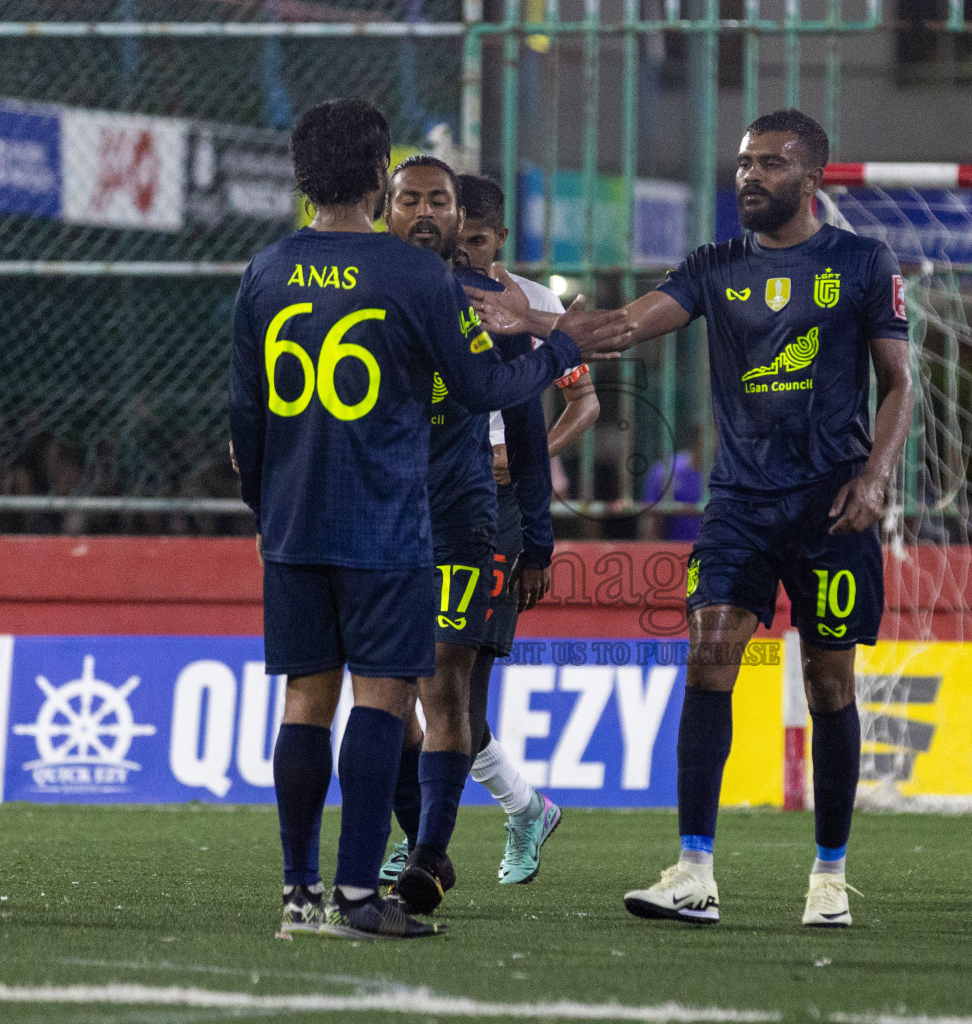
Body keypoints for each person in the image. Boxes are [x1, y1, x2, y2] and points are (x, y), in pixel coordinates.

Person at [465, 108, 914, 927]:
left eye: (771, 164)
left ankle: (828, 876)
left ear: (811, 179)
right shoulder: (715, 266)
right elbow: (626, 326)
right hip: (740, 503)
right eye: (744, 162)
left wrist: (877, 478)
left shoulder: (860, 262)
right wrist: (533, 322)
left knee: (828, 680)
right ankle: (694, 870)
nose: (749, 175)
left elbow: (900, 383)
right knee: (710, 659)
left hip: (833, 503)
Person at [228, 99, 618, 940]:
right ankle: (360, 899)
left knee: (305, 702)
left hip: (293, 528)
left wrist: (270, 513)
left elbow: (244, 423)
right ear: (378, 178)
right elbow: (482, 389)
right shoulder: (413, 278)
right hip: (386, 528)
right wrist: (556, 347)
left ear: (301, 177)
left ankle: (299, 895)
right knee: (383, 698)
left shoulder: (264, 272)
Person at [378, 155, 565, 913]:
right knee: (386, 701)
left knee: (445, 688)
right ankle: (439, 831)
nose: (427, 216)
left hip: (466, 518)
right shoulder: (366, 288)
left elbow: (526, 426)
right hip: (376, 520)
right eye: (409, 200)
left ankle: (427, 855)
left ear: (465, 221)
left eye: (441, 204)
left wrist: (540, 540)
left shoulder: (504, 308)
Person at [452, 172, 600, 884]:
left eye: (479, 241)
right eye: (459, 240)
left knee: (456, 686)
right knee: (413, 684)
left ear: (501, 238)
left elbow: (586, 403)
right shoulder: (428, 292)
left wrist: (528, 454)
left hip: (500, 505)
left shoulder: (535, 304)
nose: (469, 254)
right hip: (427, 491)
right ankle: (519, 809)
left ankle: (430, 837)